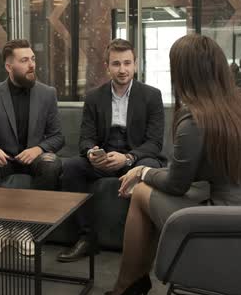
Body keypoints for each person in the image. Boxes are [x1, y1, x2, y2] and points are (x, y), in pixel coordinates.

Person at [99, 35, 241, 295]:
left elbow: (177, 185)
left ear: (183, 73)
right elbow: (192, 175)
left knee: (142, 192)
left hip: (238, 222)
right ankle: (132, 283)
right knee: (148, 187)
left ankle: (126, 286)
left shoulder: (195, 116)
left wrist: (141, 172)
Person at [57, 39, 165, 263]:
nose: (122, 69)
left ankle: (141, 242)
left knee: (151, 168)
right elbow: (86, 137)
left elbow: (154, 143)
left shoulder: (151, 96)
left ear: (136, 64)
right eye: (116, 64)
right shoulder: (94, 97)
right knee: (70, 168)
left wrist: (128, 158)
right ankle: (87, 237)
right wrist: (92, 153)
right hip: (105, 157)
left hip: (136, 155)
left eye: (127, 63)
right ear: (107, 66)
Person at [0, 39, 65, 256]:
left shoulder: (47, 93)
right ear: (9, 66)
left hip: (34, 161)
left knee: (52, 163)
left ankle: (27, 230)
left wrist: (39, 149)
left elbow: (58, 136)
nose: (32, 64)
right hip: (3, 161)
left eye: (33, 59)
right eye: (24, 60)